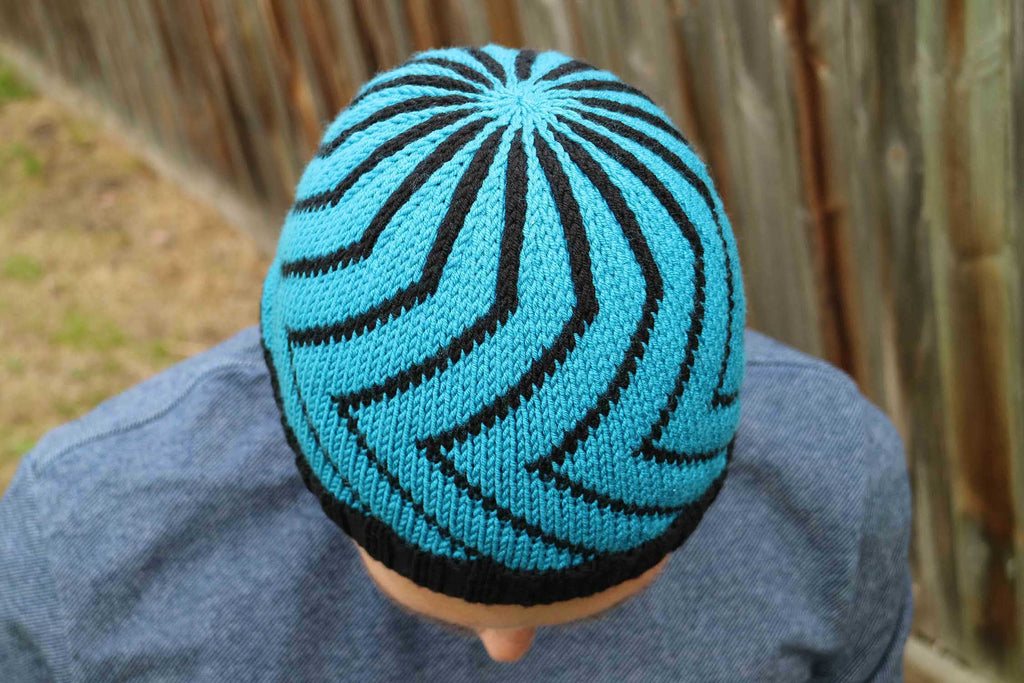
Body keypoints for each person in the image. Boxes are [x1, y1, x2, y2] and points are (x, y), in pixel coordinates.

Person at [0, 44, 912, 681]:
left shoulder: (833, 478)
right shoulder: (88, 550)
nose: (505, 646)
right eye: (439, 589)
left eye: (599, 594)